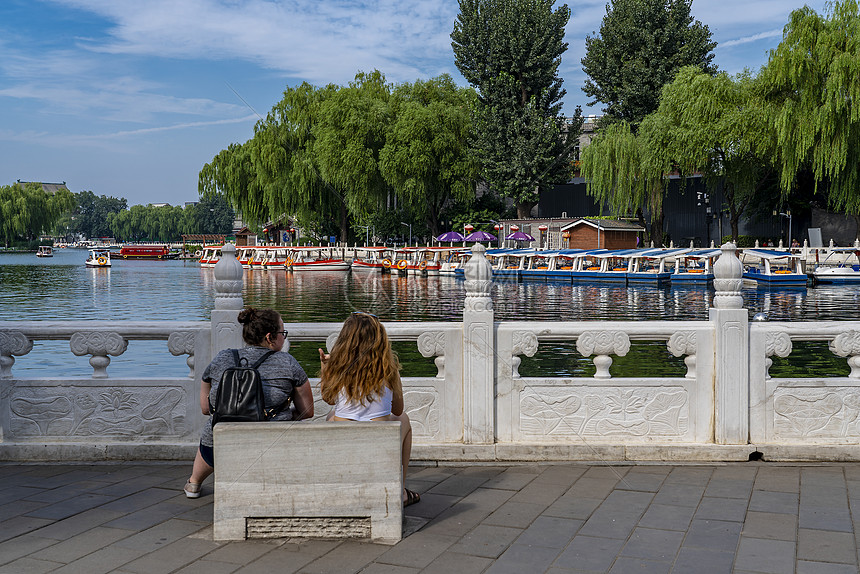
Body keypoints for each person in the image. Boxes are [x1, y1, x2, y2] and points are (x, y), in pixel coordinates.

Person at [183, 307, 314, 498]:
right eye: (282, 333)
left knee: (211, 429)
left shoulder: (224, 357)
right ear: (270, 337)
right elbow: (307, 411)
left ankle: (194, 483)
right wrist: (280, 414)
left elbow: (206, 409)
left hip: (221, 439)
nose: (283, 337)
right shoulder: (288, 362)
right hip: (270, 441)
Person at [318, 311, 420, 507]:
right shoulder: (389, 369)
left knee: (332, 415)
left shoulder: (337, 367)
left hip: (344, 441)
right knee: (404, 419)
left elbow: (328, 399)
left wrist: (325, 368)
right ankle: (401, 491)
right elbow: (398, 410)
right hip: (378, 441)